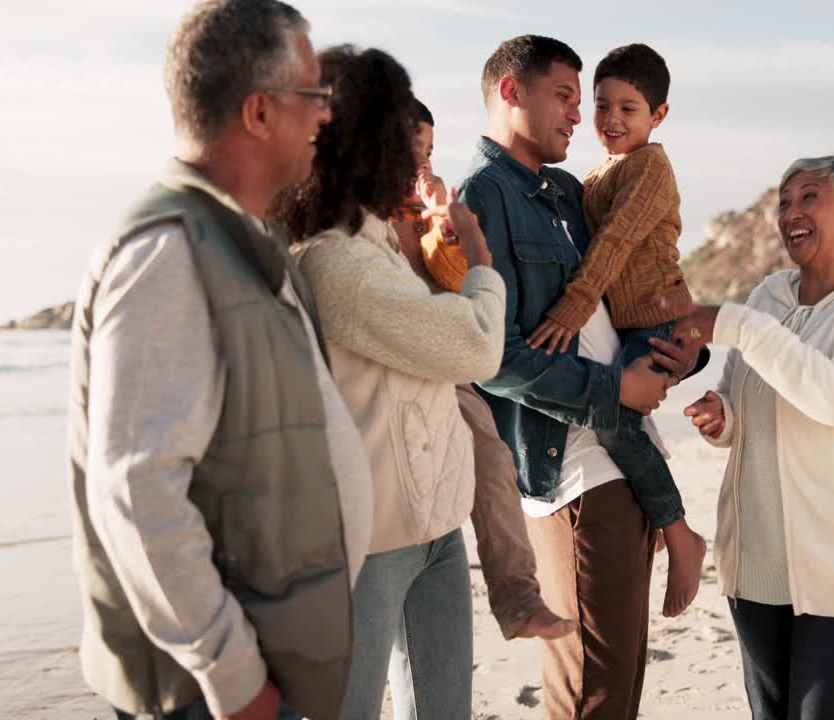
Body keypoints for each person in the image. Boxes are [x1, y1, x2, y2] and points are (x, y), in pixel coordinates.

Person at [67, 3, 370, 720]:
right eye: (313, 94)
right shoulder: (167, 254)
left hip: (269, 674)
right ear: (259, 112)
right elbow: (138, 493)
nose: (325, 115)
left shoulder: (245, 244)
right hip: (218, 698)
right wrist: (236, 682)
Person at [425, 35, 705, 719]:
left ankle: (678, 530)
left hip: (625, 458)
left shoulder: (567, 193)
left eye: (588, 103)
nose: (582, 117)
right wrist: (615, 390)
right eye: (566, 97)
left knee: (618, 686)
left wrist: (683, 351)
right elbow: (494, 359)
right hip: (574, 475)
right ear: (511, 92)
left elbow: (630, 285)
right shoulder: (483, 198)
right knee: (590, 696)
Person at [270, 45, 503, 720]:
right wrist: (481, 258)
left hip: (433, 528)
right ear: (369, 148)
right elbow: (476, 346)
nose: (422, 165)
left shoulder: (377, 248)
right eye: (408, 148)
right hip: (368, 544)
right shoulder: (335, 261)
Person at [677, 156, 834, 720]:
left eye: (810, 198)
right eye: (784, 201)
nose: (791, 213)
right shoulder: (768, 297)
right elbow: (741, 401)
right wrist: (722, 419)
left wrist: (736, 325)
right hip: (757, 559)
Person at [520, 42, 707, 618]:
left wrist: (569, 313)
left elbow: (615, 242)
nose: (611, 120)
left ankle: (679, 532)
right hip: (633, 324)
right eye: (602, 106)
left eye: (629, 108)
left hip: (658, 319)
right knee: (617, 413)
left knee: (613, 416)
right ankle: (656, 516)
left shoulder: (650, 168)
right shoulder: (599, 173)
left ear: (659, 116)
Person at [392, 99, 575, 642]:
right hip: (393, 358)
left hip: (441, 360)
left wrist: (445, 224)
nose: (420, 163)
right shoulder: (357, 215)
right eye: (408, 150)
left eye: (427, 151)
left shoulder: (425, 214)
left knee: (493, 457)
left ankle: (518, 598)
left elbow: (453, 280)